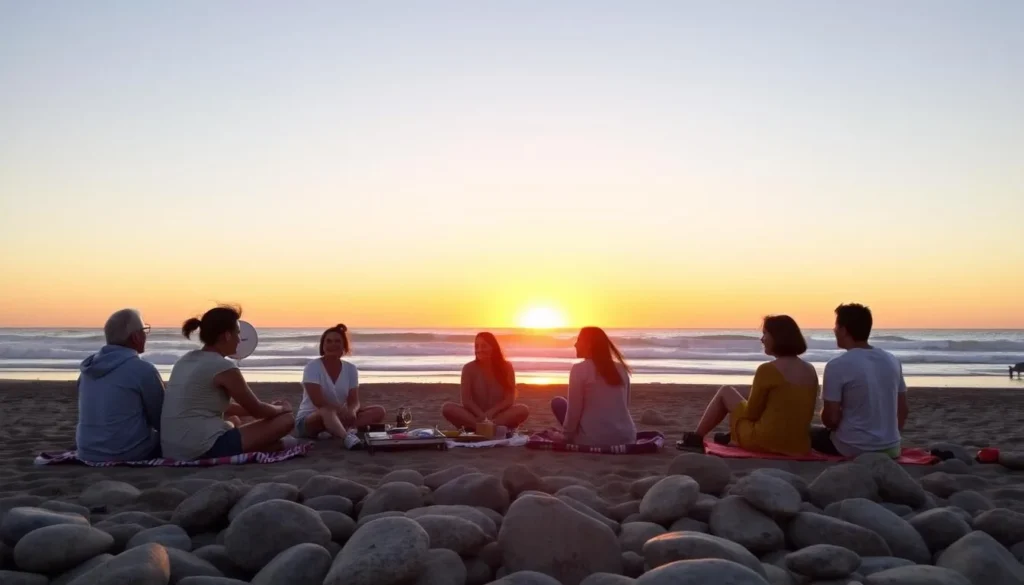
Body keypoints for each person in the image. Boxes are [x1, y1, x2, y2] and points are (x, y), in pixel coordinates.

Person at [161, 305, 295, 460]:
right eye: (237, 333)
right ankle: (273, 445)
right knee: (286, 420)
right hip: (200, 448)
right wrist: (281, 408)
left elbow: (219, 406)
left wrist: (268, 408)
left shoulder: (184, 360)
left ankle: (269, 445)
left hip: (172, 448)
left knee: (235, 420)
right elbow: (258, 411)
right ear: (226, 335)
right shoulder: (223, 367)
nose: (239, 339)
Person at [677, 315, 819, 455]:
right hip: (799, 445)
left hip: (766, 441)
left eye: (765, 334)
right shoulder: (810, 369)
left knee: (726, 391)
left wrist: (737, 406)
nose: (762, 339)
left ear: (778, 337)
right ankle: (733, 435)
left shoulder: (768, 369)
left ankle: (696, 438)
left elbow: (752, 413)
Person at [811, 303, 908, 458]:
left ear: (843, 330)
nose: (834, 330)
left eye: (836, 326)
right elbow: (902, 410)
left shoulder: (837, 365)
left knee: (806, 433)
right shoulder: (892, 360)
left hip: (852, 447)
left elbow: (831, 419)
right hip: (891, 448)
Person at [76, 308, 164, 462]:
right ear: (136, 337)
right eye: (144, 330)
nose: (146, 335)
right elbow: (161, 419)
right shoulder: (142, 370)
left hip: (87, 451)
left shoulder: (87, 370)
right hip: (128, 452)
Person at [294, 324, 386, 449]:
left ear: (344, 345)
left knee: (378, 411)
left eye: (337, 341)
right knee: (327, 411)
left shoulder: (350, 369)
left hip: (338, 415)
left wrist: (352, 411)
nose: (333, 345)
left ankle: (334, 429)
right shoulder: (312, 367)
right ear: (323, 345)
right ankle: (347, 437)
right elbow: (318, 402)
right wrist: (340, 412)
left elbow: (354, 401)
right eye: (329, 341)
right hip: (310, 420)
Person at [550, 327, 636, 445]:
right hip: (627, 437)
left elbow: (574, 411)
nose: (575, 345)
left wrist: (565, 437)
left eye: (578, 340)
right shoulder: (621, 369)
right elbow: (624, 406)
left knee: (558, 403)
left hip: (593, 439)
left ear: (589, 345)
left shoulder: (579, 369)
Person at [441, 332, 530, 432]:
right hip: (475, 416)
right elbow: (466, 401)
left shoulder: (506, 367)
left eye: (484, 346)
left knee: (523, 409)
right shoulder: (469, 368)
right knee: (447, 408)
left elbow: (509, 399)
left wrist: (491, 413)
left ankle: (484, 428)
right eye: (477, 346)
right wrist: (481, 416)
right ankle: (486, 429)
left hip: (498, 417)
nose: (479, 350)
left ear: (493, 347)